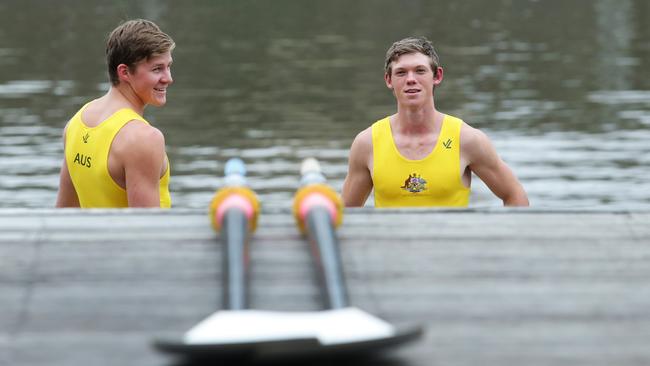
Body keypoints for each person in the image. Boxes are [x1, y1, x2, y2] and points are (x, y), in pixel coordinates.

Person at [342, 36, 529, 207]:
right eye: (401, 73)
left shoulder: (467, 139)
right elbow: (346, 213)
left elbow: (514, 195)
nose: (411, 79)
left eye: (420, 71)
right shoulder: (367, 144)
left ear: (437, 76)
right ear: (389, 80)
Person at [56, 19, 175, 208]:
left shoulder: (76, 122)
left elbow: (63, 215)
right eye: (157, 69)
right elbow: (147, 232)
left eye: (168, 66)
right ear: (124, 72)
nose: (168, 79)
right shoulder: (144, 139)